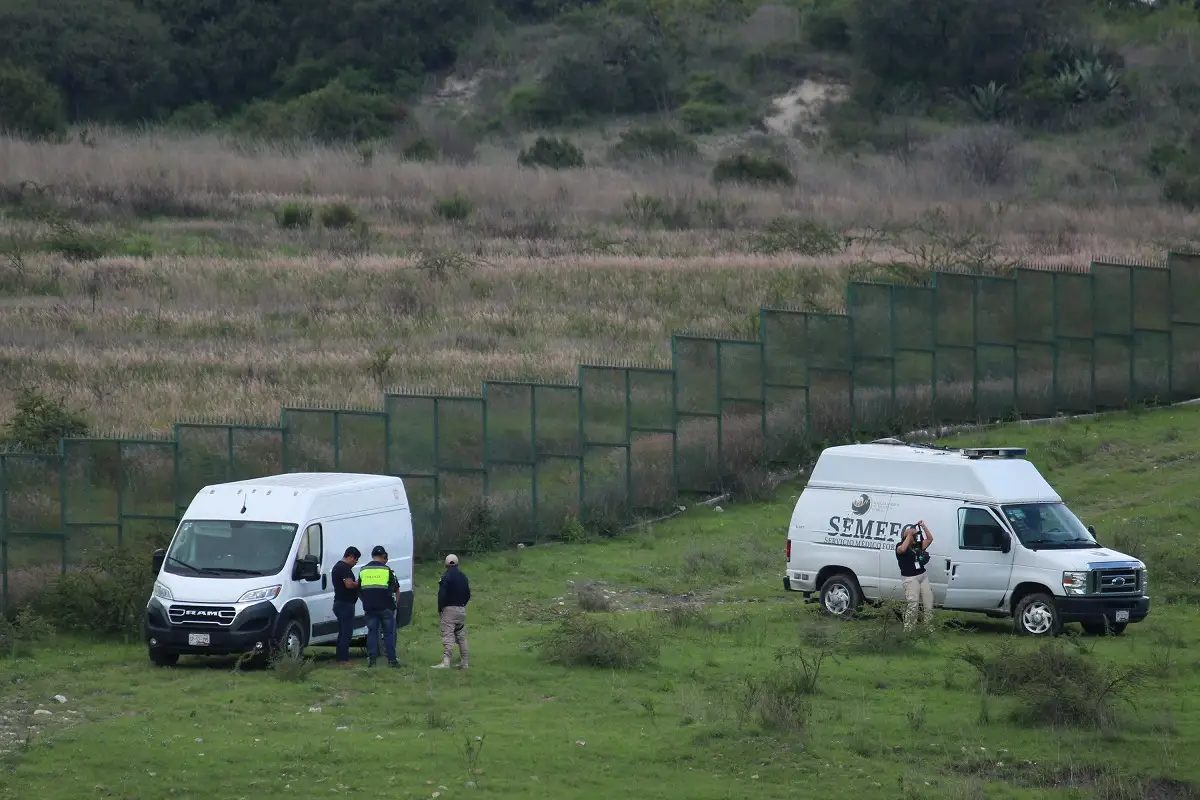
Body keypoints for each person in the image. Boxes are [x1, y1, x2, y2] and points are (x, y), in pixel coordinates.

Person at [358, 545, 401, 668]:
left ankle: (372, 661)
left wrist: (365, 601)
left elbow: (358, 590)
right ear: (383, 556)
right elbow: (396, 589)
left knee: (372, 633)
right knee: (388, 634)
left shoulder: (363, 570)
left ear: (372, 555)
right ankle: (392, 661)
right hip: (386, 607)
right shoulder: (387, 570)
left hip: (370, 607)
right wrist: (395, 604)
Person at [432, 554, 470, 670]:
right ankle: (465, 662)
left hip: (449, 611)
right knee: (461, 636)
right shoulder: (463, 577)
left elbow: (442, 594)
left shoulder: (446, 576)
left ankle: (446, 662)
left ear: (446, 564)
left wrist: (440, 608)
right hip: (461, 610)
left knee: (448, 636)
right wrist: (462, 604)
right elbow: (468, 594)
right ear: (457, 564)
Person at [896, 520, 934, 632]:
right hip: (911, 578)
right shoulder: (899, 546)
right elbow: (902, 549)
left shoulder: (917, 545)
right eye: (914, 535)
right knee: (913, 604)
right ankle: (908, 629)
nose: (916, 537)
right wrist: (909, 534)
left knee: (928, 601)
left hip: (923, 575)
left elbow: (930, 539)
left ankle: (928, 626)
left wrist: (923, 526)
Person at [331, 546, 361, 667]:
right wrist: (359, 583)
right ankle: (343, 659)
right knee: (346, 633)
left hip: (341, 603)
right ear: (351, 557)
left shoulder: (339, 567)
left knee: (343, 631)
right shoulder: (343, 568)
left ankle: (340, 657)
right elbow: (349, 585)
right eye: (356, 560)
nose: (355, 563)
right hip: (345, 604)